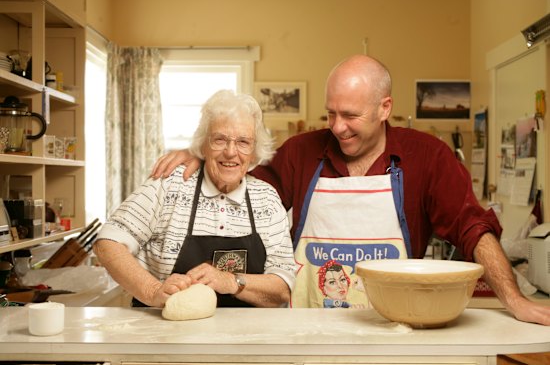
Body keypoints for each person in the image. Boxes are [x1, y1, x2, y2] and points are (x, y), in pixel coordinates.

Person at [151, 55, 550, 325]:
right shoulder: (301, 152)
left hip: (392, 327)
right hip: (304, 325)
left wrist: (513, 299)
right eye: (331, 113)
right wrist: (207, 152)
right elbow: (240, 188)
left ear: (384, 107)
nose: (337, 127)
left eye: (351, 115)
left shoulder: (427, 157)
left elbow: (472, 228)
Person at [94, 89, 296, 308]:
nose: (230, 152)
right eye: (219, 140)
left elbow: (282, 288)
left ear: (254, 151)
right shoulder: (169, 184)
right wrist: (153, 292)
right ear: (203, 145)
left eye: (243, 142)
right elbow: (108, 243)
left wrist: (231, 281)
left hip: (243, 338)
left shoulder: (266, 199)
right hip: (164, 335)